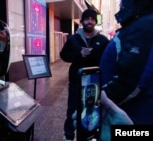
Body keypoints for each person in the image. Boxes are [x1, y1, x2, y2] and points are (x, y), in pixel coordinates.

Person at [100, 0, 153, 125]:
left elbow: (130, 82)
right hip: (123, 115)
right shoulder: (139, 25)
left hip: (130, 117)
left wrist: (98, 100)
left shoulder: (145, 25)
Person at [60, 8, 109, 141]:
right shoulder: (74, 39)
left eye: (93, 19)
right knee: (72, 109)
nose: (90, 21)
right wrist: (78, 55)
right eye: (87, 19)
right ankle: (69, 136)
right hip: (76, 81)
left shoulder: (103, 40)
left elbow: (107, 59)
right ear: (82, 21)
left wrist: (94, 55)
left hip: (94, 82)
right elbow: (63, 55)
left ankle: (89, 134)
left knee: (92, 109)